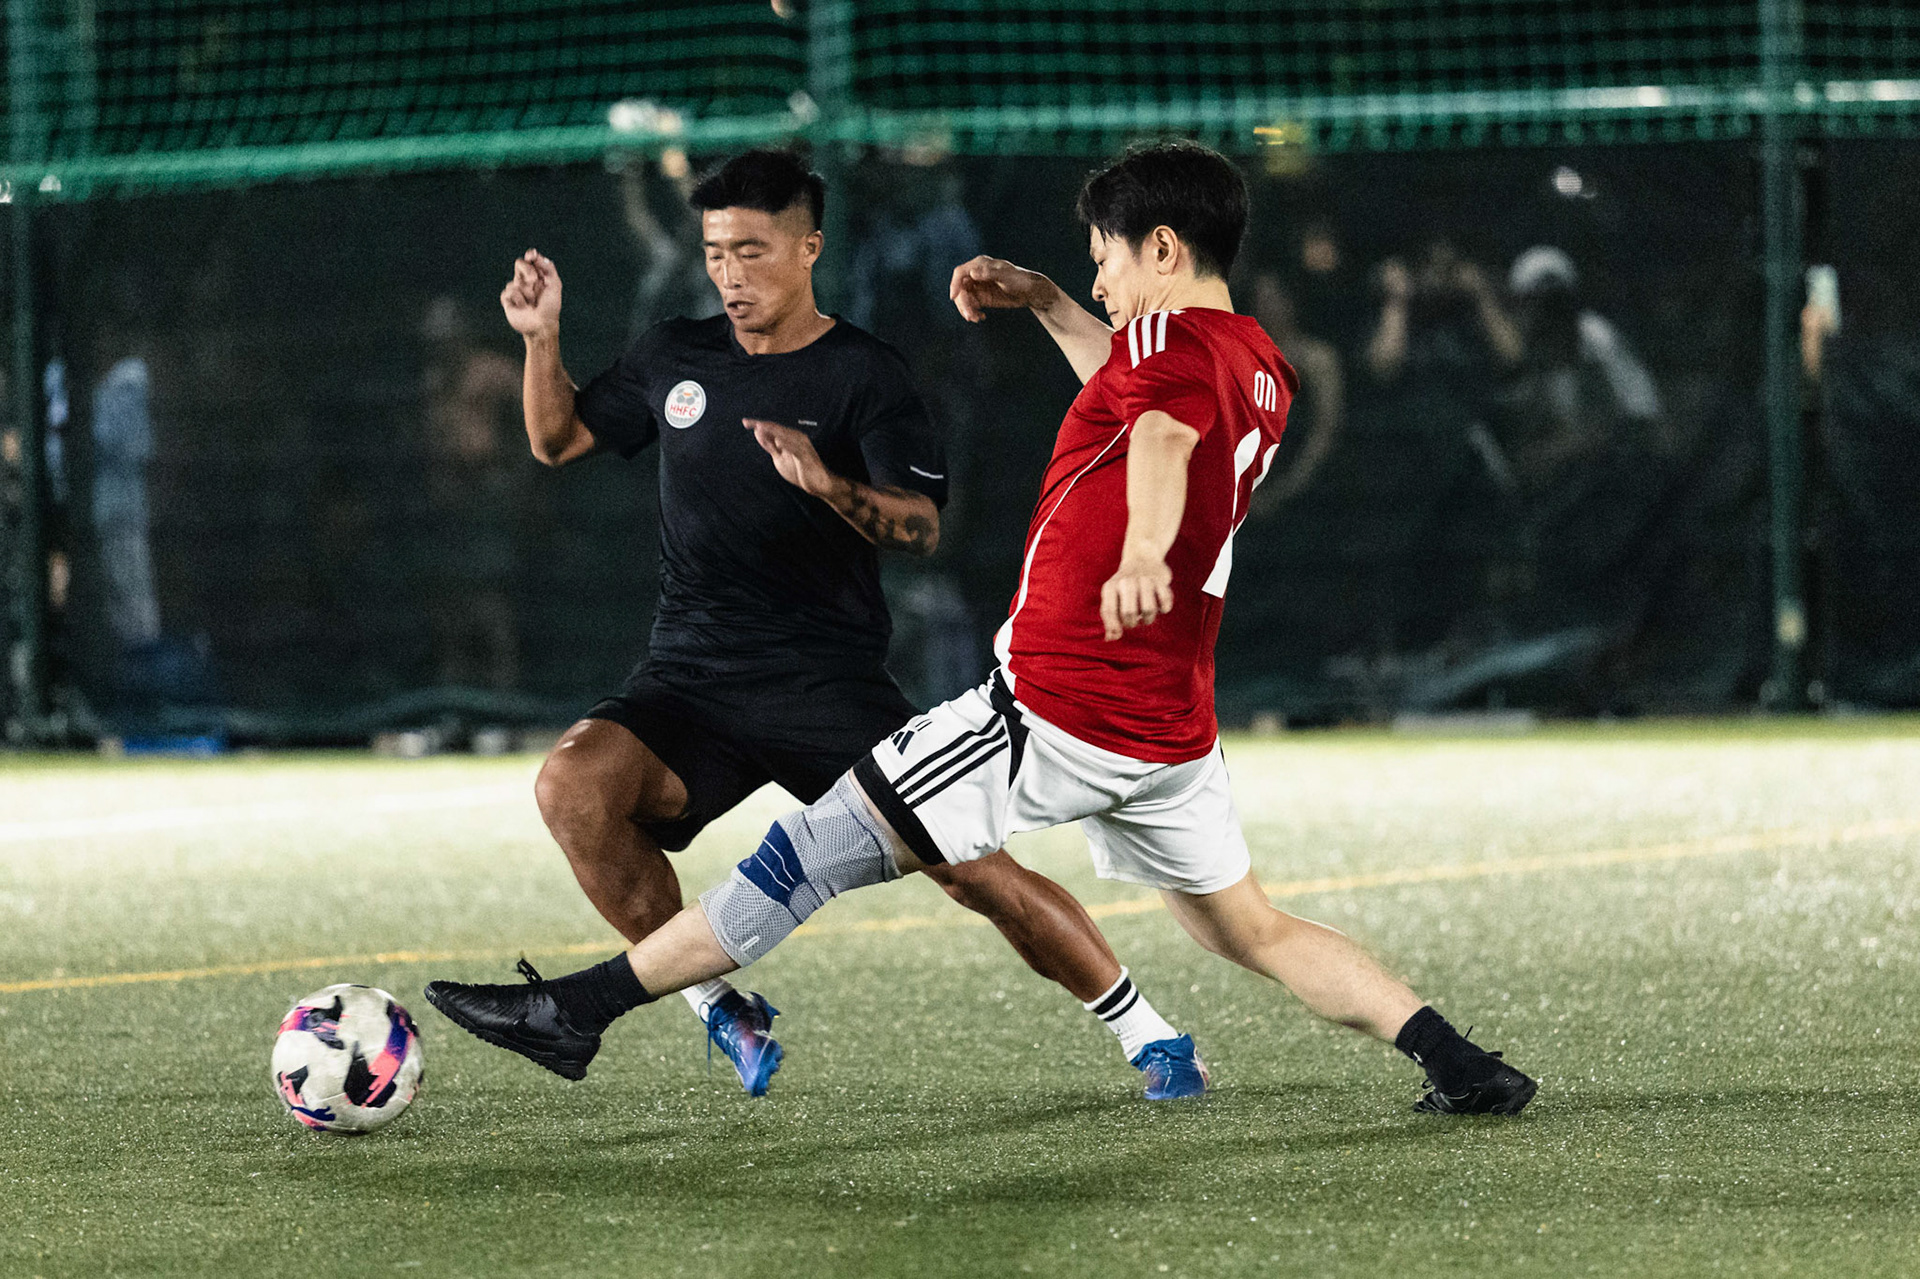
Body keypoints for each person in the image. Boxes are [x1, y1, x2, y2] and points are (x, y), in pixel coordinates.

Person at [428, 142, 1539, 1117]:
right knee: (1246, 927)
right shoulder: (1252, 361)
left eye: (1104, 254)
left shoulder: (1172, 364)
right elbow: (1130, 389)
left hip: (1052, 707)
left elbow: (1155, 437)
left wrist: (1146, 550)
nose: (1101, 274)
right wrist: (1051, 300)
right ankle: (1452, 1054)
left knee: (807, 853)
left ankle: (576, 1013)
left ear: (1161, 246)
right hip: (1166, 732)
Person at [477, 149, 1192, 1099]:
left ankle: (1152, 1034)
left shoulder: (866, 375)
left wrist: (829, 484)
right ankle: (718, 1006)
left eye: (754, 251)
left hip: (829, 687)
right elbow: (557, 436)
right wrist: (541, 336)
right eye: (716, 253)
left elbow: (923, 526)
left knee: (973, 872)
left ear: (810, 247)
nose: (730, 274)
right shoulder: (673, 356)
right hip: (688, 678)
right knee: (571, 786)